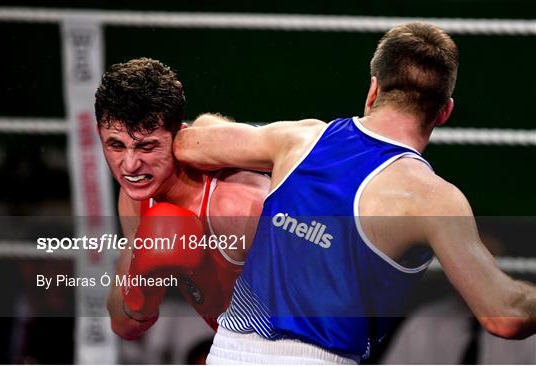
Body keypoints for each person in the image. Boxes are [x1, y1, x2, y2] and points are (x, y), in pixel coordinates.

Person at [174, 22, 536, 364]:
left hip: (225, 353)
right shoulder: (434, 199)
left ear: (373, 89)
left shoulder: (300, 139)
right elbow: (507, 314)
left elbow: (191, 143)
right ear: (444, 112)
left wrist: (216, 127)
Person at [94, 58, 270, 340]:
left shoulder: (236, 207)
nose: (129, 166)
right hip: (233, 342)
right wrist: (141, 290)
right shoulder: (137, 195)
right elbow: (123, 323)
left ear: (180, 137)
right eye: (115, 145)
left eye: (146, 146)